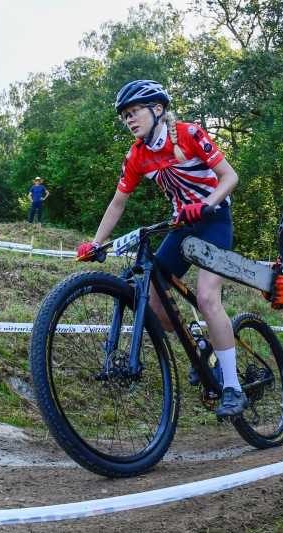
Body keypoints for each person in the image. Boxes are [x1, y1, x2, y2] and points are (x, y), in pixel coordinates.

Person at [76, 80, 246, 418]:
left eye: (134, 111)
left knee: (208, 297)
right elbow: (118, 202)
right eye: (125, 115)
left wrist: (207, 204)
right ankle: (203, 347)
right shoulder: (138, 155)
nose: (129, 119)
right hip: (181, 226)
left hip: (213, 220)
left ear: (157, 109)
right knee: (153, 303)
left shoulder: (189, 134)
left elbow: (230, 177)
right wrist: (96, 243)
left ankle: (233, 388)